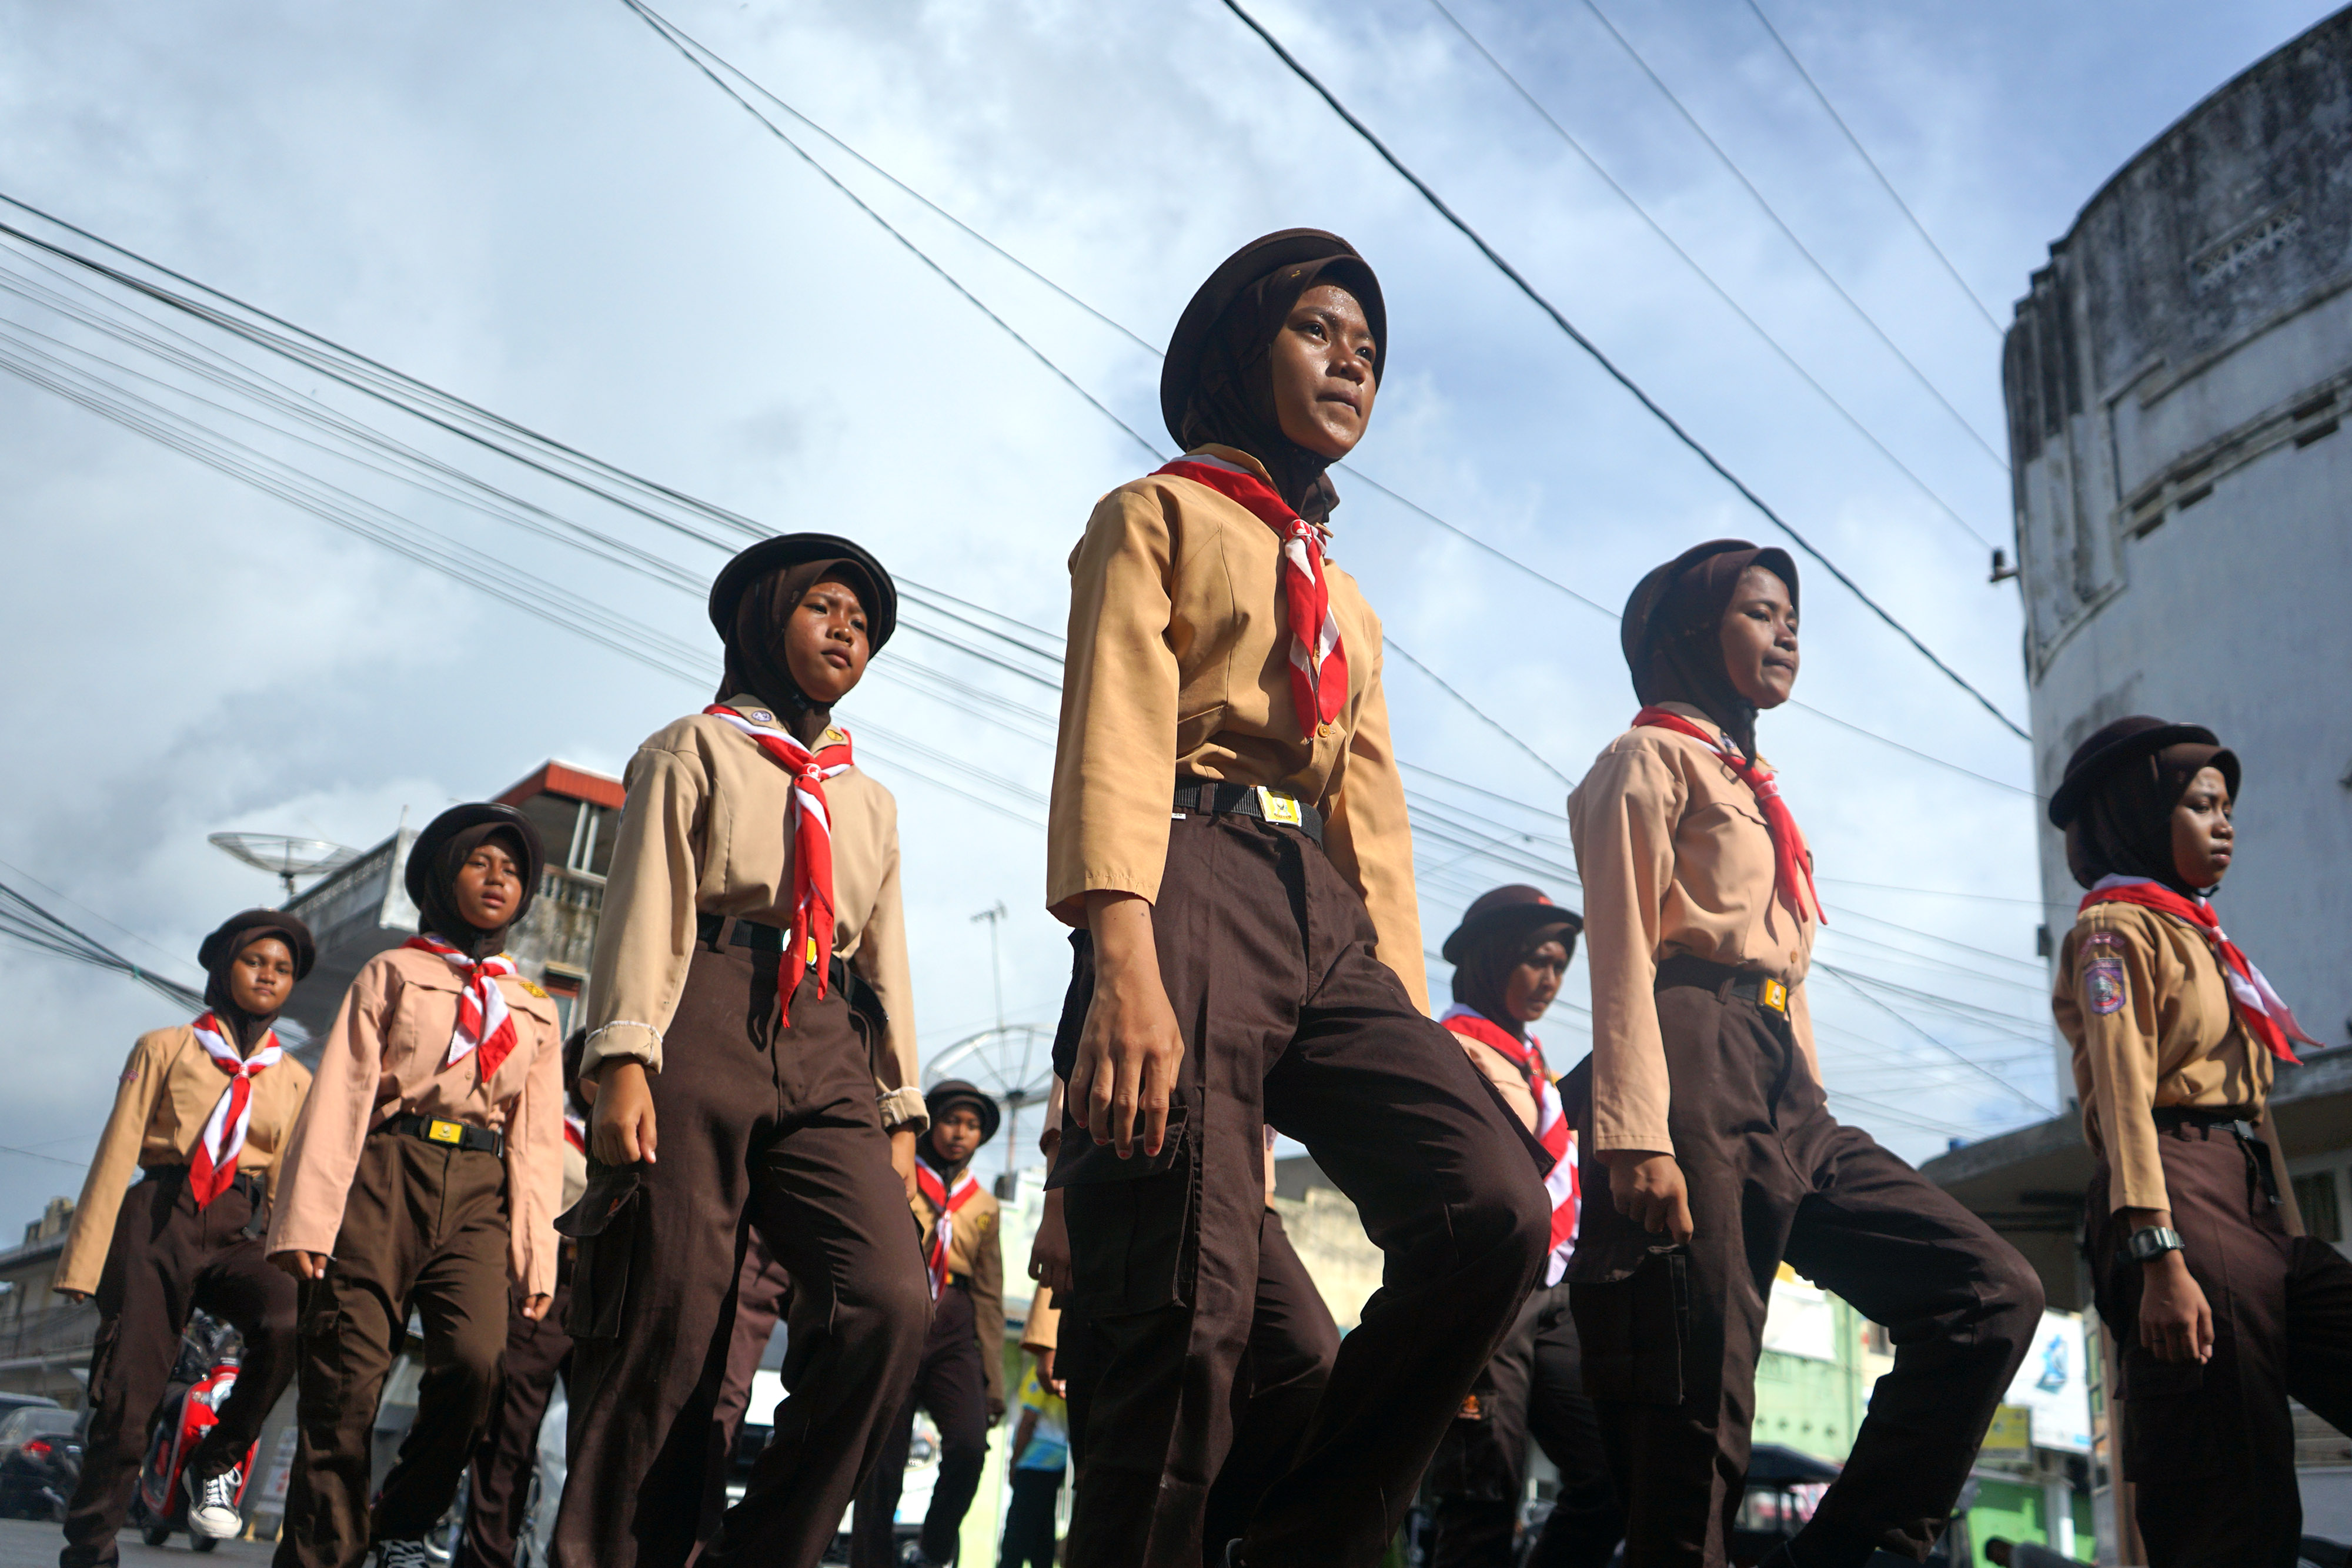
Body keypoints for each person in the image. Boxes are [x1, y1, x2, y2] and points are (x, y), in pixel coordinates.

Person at [1047, 226, 1548, 1567]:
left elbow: (1370, 821)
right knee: (1190, 1313)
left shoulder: (1348, 603)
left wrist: (1400, 1004)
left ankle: (1301, 1544)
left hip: (1322, 918)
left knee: (1492, 1206)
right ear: (1239, 351)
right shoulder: (1153, 517)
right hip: (1184, 870)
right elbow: (1113, 738)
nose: (1352, 366)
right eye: (1320, 333)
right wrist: (1123, 958)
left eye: (1370, 352)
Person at [1565, 540, 2043, 1568]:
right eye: (1759, 611)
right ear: (1694, 634)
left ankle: (1849, 1553)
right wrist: (1634, 1132)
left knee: (1992, 1290)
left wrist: (1812, 1113)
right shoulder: (1645, 759)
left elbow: (1787, 969)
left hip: (1786, 1083)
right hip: (1690, 1057)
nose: (1787, 631)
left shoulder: (1758, 785)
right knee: (1701, 1394)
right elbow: (1621, 949)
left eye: (1792, 616)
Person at [558, 533, 930, 1568]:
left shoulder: (869, 798)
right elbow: (644, 911)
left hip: (829, 1039)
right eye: (823, 607)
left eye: (862, 620)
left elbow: (887, 956)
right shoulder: (693, 748)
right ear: (764, 621)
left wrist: (900, 1106)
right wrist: (623, 1055)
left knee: (890, 1299)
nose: (847, 628)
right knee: (668, 1324)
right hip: (704, 1014)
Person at [2049, 716, 2344, 1566]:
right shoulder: (2115, 929)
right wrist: (2158, 1253)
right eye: (2202, 805)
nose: (2226, 824)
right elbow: (2122, 1097)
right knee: (2233, 1486)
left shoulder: (2195, 929)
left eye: (2229, 809)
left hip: (2246, 1198)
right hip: (2178, 1191)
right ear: (2140, 816)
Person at [268, 803, 566, 1568]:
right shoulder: (393, 971)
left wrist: (538, 1254)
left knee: (476, 1362)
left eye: (513, 869)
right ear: (442, 876)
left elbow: (535, 1142)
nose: (498, 878)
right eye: (479, 862)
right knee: (346, 1389)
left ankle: (399, 1518)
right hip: (381, 1173)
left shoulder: (534, 1008)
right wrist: (306, 1219)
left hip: (478, 1187)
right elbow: (340, 1098)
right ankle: (324, 1554)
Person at [56, 910, 318, 1567]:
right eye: (255, 961)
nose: (268, 976)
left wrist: (297, 1253)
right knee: (126, 1401)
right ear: (223, 967)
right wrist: (83, 1267)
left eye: (282, 969)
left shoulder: (293, 1080)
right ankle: (90, 1548)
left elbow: (288, 1181)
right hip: (157, 1217)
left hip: (238, 1225)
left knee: (288, 1315)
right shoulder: (164, 1047)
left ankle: (220, 1456)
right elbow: (116, 1153)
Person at [1428, 887, 1622, 1568]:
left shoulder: (1534, 1061)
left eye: (1562, 965)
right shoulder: (1447, 1047)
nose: (1551, 981)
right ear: (1490, 958)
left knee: (1610, 1478)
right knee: (1483, 1494)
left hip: (1558, 1296)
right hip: (1488, 1292)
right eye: (1536, 961)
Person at [451, 1032, 593, 1568]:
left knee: (593, 1444)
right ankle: (486, 1558)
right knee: (509, 1440)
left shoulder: (640, 1136)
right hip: (541, 1290)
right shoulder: (545, 1133)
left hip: (600, 1298)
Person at [851, 1080, 1006, 1568]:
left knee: (967, 1445)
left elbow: (990, 1293)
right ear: (931, 1122)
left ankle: (933, 1553)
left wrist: (995, 1381)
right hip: (900, 1314)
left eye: (973, 1125)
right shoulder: (899, 1175)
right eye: (951, 1120)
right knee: (883, 1462)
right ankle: (870, 1561)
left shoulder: (984, 1205)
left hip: (955, 1321)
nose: (961, 1133)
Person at [1000, 1355, 1070, 1568]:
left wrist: (1014, 1462)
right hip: (1057, 1465)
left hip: (1034, 1464)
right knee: (1043, 1537)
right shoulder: (1068, 1374)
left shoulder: (1042, 1373)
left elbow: (1028, 1422)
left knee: (1015, 1539)